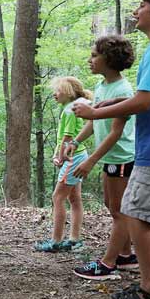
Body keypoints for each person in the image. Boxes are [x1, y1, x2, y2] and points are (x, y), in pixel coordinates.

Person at [73, 0, 150, 299]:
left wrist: (96, 111)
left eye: (142, 5)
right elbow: (149, 96)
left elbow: (145, 102)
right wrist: (110, 102)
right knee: (149, 215)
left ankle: (149, 288)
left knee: (134, 213)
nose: (136, 11)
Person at [70, 35, 137, 280]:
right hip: (111, 159)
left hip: (121, 158)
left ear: (109, 59)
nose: (90, 60)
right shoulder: (101, 86)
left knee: (119, 212)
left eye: (94, 55)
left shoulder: (123, 89)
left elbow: (115, 133)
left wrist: (91, 160)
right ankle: (126, 254)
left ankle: (108, 264)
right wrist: (75, 142)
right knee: (112, 206)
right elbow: (93, 119)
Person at [35, 77, 93, 252]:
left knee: (57, 197)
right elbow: (65, 138)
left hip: (72, 158)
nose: (55, 94)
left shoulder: (69, 111)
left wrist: (60, 159)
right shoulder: (72, 108)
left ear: (68, 92)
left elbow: (67, 139)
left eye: (58, 91)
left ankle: (56, 241)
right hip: (79, 154)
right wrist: (56, 153)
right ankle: (74, 239)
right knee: (74, 198)